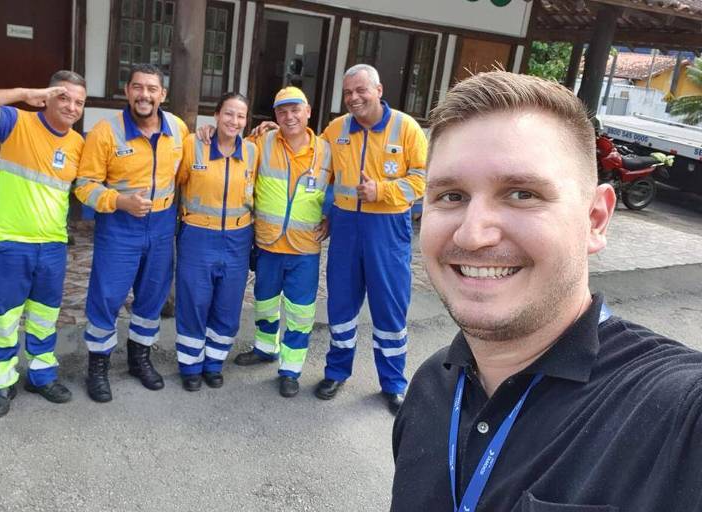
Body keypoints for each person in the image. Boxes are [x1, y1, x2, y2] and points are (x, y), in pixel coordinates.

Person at [391, 71, 702, 510]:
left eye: (521, 193)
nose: (472, 234)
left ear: (595, 219)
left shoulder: (676, 415)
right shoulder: (429, 388)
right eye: (451, 196)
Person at [0, 70, 87, 418]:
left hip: (53, 245)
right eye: (64, 97)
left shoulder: (78, 144)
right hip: (9, 242)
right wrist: (21, 91)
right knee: (4, 317)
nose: (72, 107)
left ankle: (42, 376)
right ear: (47, 97)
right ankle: (0, 382)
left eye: (79, 102)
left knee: (45, 317)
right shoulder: (17, 122)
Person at [316, 64, 428, 414]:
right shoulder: (336, 129)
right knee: (341, 305)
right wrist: (269, 133)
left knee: (390, 308)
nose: (353, 98)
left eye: (360, 90)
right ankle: (336, 371)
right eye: (348, 92)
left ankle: (393, 383)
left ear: (378, 90)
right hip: (346, 227)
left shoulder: (406, 128)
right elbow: (310, 159)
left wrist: (381, 189)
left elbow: (423, 180)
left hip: (388, 229)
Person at [74, 64, 188, 402]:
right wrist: (119, 201)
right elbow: (84, 186)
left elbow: (192, 169)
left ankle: (140, 358)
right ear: (127, 91)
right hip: (119, 227)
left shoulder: (178, 129)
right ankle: (98, 366)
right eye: (138, 87)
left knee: (152, 296)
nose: (145, 95)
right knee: (107, 297)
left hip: (162, 223)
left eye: (152, 89)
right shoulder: (105, 132)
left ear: (162, 95)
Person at [233, 87, 331, 398]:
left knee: (301, 312)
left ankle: (291, 369)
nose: (289, 116)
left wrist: (331, 216)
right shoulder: (261, 142)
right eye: (282, 111)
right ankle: (264, 348)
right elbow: (231, 152)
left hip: (304, 248)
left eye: (295, 109)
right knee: (264, 303)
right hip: (268, 244)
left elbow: (340, 189)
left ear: (308, 112)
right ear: (275, 116)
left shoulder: (327, 151)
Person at [174, 92, 257, 391]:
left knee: (227, 304)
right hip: (198, 236)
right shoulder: (193, 146)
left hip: (237, 238)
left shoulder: (252, 152)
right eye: (229, 114)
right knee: (194, 301)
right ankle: (190, 365)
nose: (234, 121)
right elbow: (174, 184)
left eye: (240, 116)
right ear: (216, 115)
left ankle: (213, 363)